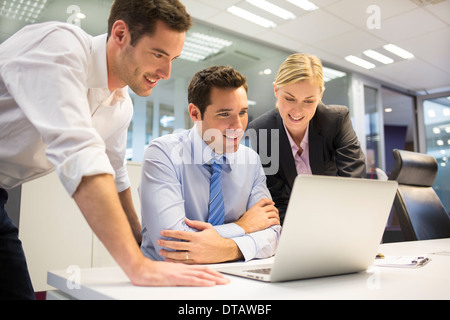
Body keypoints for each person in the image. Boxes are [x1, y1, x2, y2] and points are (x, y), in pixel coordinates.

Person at [0, 0, 228, 299]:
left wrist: (143, 251)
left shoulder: (120, 105)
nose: (166, 71)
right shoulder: (60, 48)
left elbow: (116, 175)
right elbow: (79, 154)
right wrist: (137, 267)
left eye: (173, 57)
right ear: (120, 34)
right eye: (158, 54)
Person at [140, 66, 281, 264]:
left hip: (234, 278)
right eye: (225, 114)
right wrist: (244, 227)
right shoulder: (163, 154)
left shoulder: (251, 161)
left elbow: (272, 233)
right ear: (195, 113)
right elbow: (172, 244)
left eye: (242, 112)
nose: (239, 126)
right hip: (168, 282)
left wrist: (226, 250)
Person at [247, 53, 366, 224]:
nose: (297, 111)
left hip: (342, 220)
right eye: (289, 99)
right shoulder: (262, 131)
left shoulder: (336, 120)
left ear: (320, 95)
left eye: (309, 101)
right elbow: (277, 199)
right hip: (294, 224)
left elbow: (354, 185)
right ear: (276, 90)